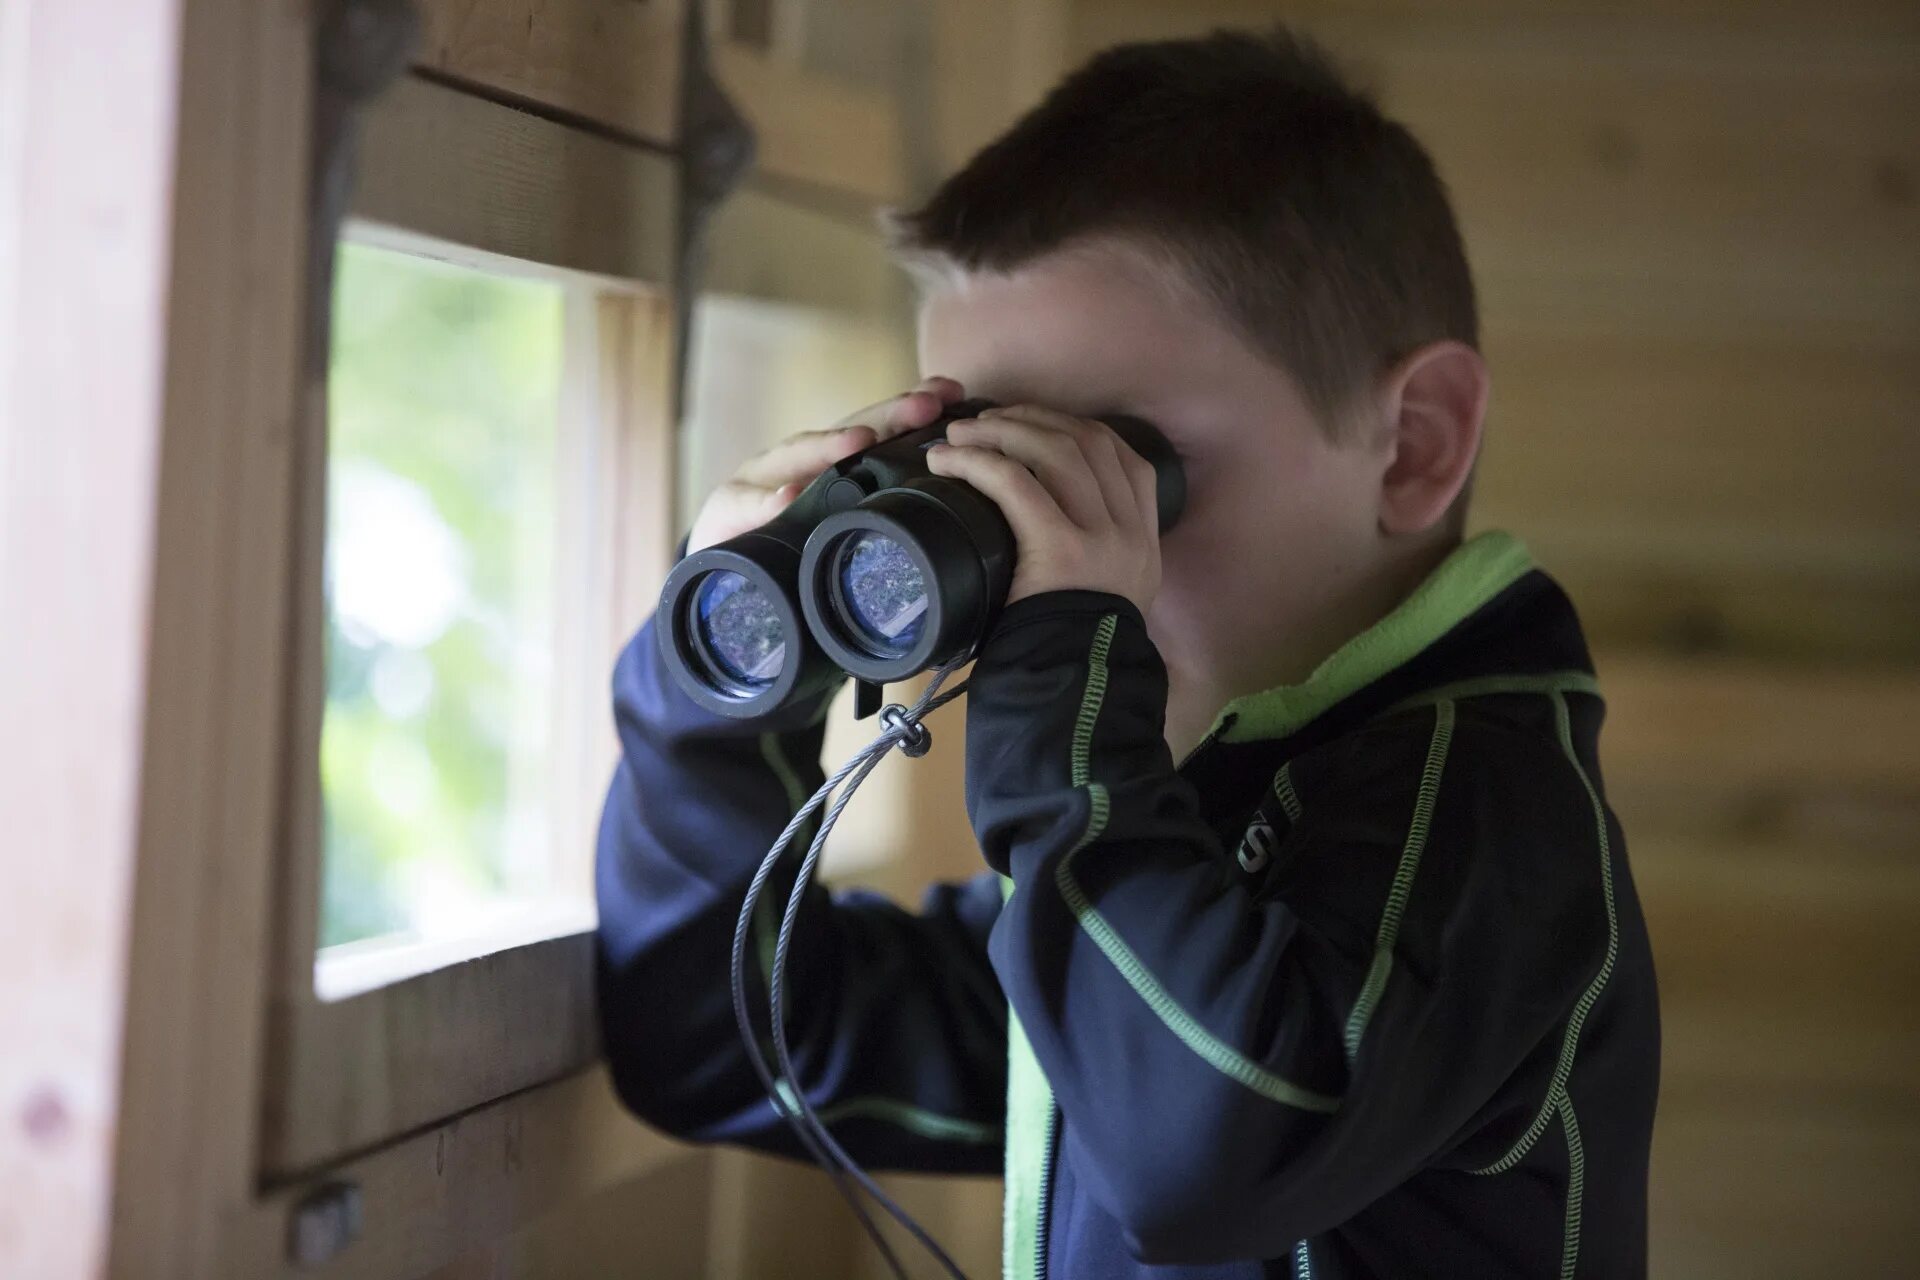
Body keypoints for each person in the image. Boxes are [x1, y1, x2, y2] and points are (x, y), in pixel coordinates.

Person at [595, 26, 1659, 1280]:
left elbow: (1208, 1157)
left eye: (1118, 462)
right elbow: (729, 1040)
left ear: (1414, 442)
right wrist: (724, 687)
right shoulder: (1173, 826)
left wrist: (1060, 682)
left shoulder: (1485, 818)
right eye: (983, 457)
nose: (1044, 531)